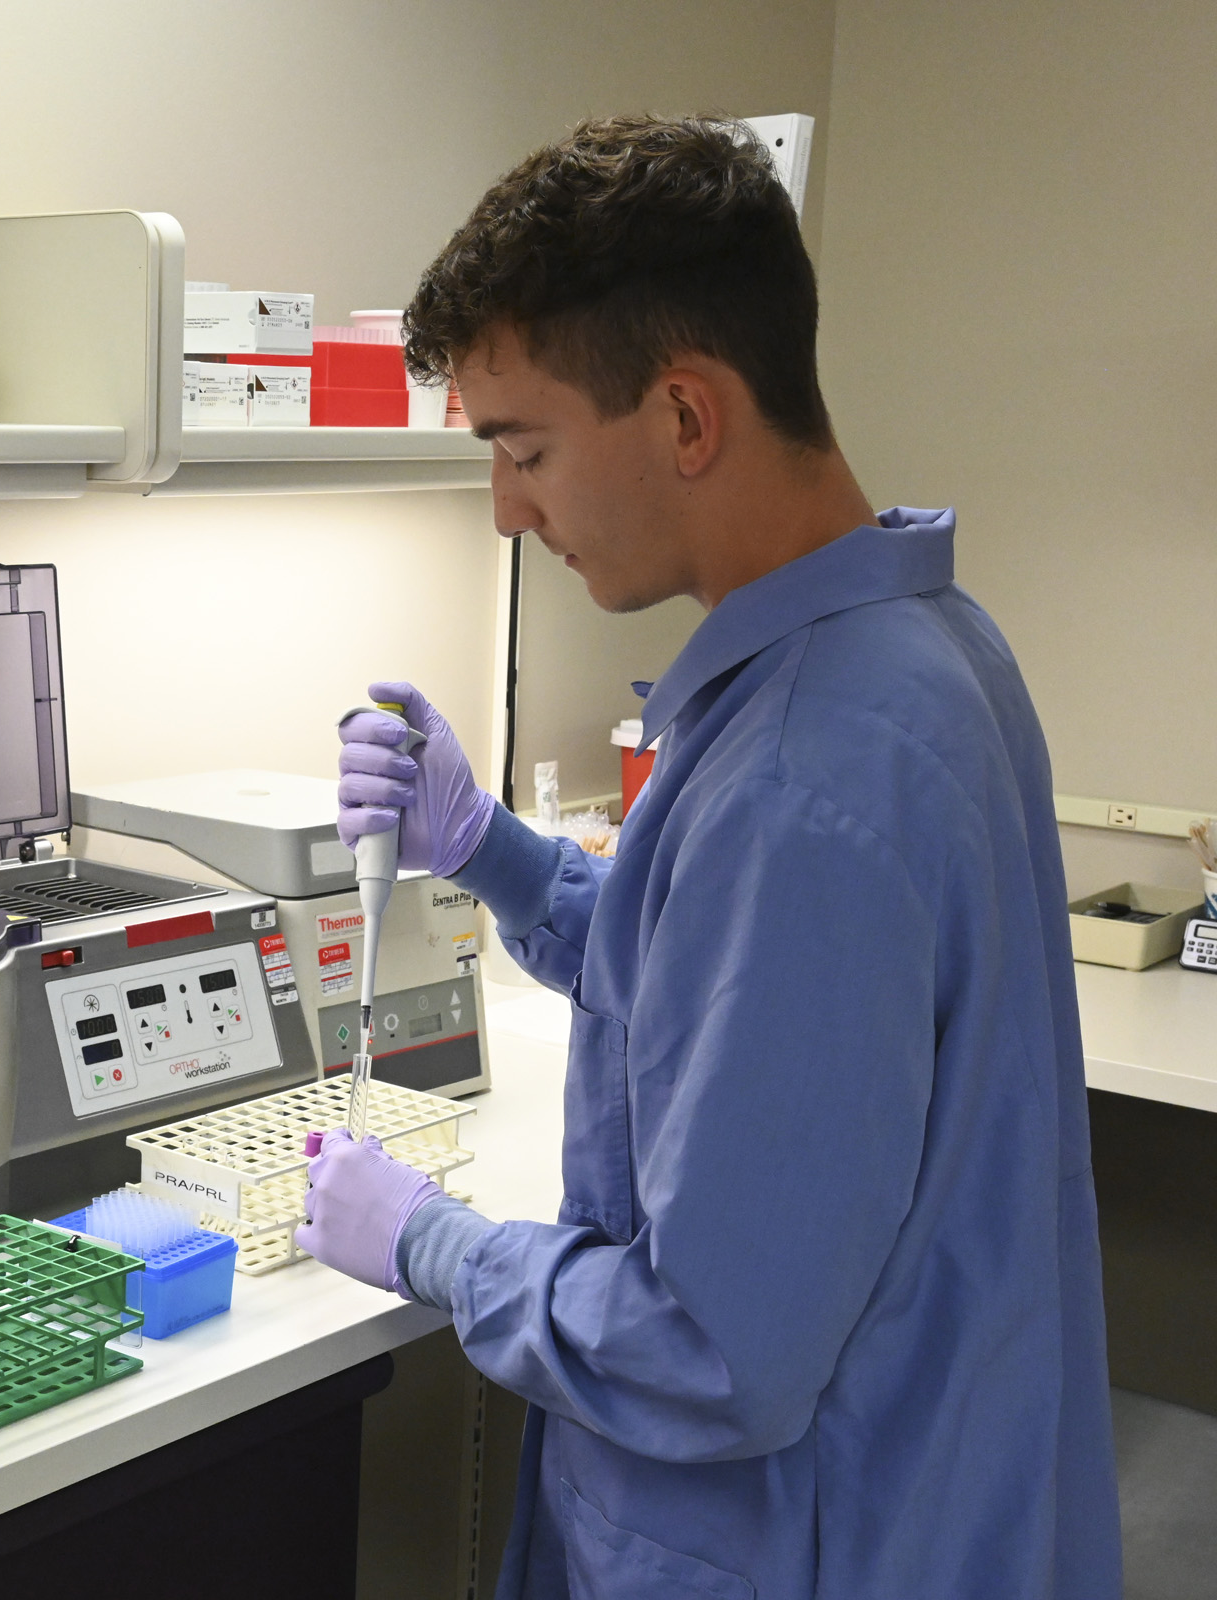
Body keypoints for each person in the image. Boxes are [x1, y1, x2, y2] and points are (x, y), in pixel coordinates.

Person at [296, 117, 1121, 1599]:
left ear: (685, 418)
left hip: (814, 1541)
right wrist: (492, 854)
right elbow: (733, 979)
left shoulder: (803, 777)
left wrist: (432, 1243)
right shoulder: (922, 654)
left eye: (525, 448)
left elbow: (711, 1353)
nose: (508, 508)